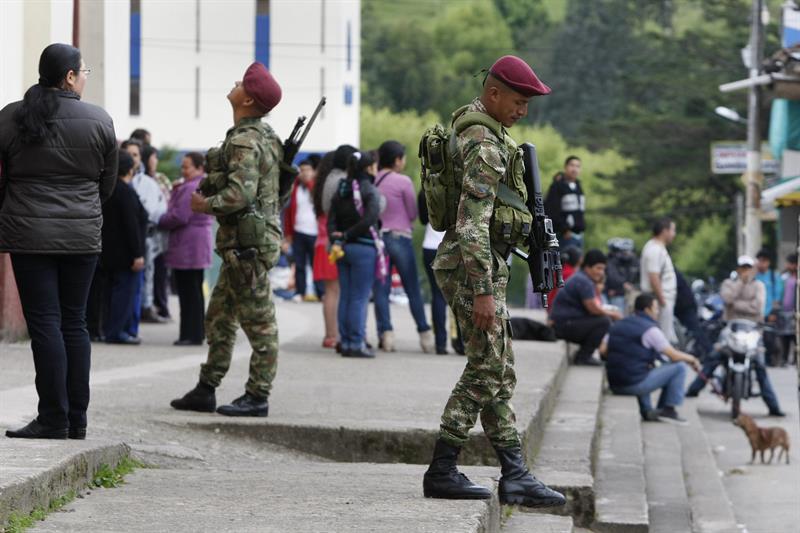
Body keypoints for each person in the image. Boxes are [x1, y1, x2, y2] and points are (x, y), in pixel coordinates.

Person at [422, 55, 565, 507]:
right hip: (471, 268)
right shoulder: (484, 144)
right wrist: (483, 290)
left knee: (497, 368)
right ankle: (442, 467)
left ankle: (515, 472)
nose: (523, 111)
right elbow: (470, 225)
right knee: (488, 368)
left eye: (527, 104)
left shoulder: (480, 128)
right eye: (518, 101)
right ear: (494, 93)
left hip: (476, 264)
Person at [0, 43, 117, 439]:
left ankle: (53, 418)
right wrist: (81, 209)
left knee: (46, 325)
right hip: (82, 237)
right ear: (69, 76)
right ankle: (76, 421)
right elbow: (108, 185)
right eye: (84, 71)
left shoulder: (11, 118)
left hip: (28, 235)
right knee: (74, 323)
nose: (85, 77)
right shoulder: (99, 120)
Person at [170, 61, 284, 417]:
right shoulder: (260, 135)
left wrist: (204, 204)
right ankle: (207, 388)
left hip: (248, 247)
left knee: (259, 322)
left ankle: (258, 396)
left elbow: (240, 195)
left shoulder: (247, 142)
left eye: (242, 82)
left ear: (247, 100)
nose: (235, 83)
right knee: (219, 318)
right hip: (240, 245)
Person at [686, 255, 785, 416]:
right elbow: (727, 299)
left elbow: (757, 307)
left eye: (748, 268)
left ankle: (773, 406)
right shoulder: (728, 284)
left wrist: (737, 305)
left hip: (752, 331)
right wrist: (741, 284)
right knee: (714, 357)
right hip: (730, 329)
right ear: (738, 269)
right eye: (743, 268)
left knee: (760, 365)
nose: (746, 271)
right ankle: (693, 390)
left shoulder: (759, 285)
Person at [373, 140, 434, 353]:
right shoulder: (404, 182)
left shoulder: (373, 179)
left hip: (379, 239)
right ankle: (425, 335)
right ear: (398, 160)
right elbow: (412, 213)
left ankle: (386, 335)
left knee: (381, 289)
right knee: (412, 289)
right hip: (400, 238)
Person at [601, 293, 701, 423]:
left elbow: (602, 350)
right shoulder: (650, 329)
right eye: (656, 308)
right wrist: (692, 359)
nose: (658, 312)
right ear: (647, 310)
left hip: (615, 383)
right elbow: (673, 355)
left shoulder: (618, 325)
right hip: (632, 384)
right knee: (679, 368)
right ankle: (668, 410)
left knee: (643, 367)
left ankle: (648, 410)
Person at [328, 151, 382, 358]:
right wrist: (350, 234)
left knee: (346, 296)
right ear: (369, 168)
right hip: (363, 249)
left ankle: (346, 341)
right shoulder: (370, 190)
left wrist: (337, 238)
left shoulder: (341, 189)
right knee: (359, 298)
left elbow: (331, 218)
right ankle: (356, 342)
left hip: (341, 249)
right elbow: (370, 219)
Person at [158, 152, 214, 345]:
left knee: (187, 291)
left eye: (187, 167)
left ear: (199, 168)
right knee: (195, 290)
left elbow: (179, 216)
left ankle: (189, 334)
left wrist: (158, 219)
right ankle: (197, 332)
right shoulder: (204, 185)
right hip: (198, 244)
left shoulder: (191, 187)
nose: (183, 170)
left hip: (187, 244)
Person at [102, 151, 147, 345]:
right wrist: (138, 254)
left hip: (108, 250)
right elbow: (132, 225)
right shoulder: (126, 192)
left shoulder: (108, 189)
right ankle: (117, 331)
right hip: (126, 254)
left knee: (112, 294)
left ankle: (112, 329)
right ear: (130, 169)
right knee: (125, 293)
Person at [121, 139, 168, 328]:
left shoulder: (147, 183)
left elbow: (155, 209)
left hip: (142, 237)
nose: (132, 159)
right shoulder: (112, 181)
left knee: (143, 278)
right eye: (128, 154)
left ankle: (143, 310)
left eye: (135, 155)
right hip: (118, 239)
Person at [550, 249, 622, 366]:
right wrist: (613, 315)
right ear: (588, 267)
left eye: (603, 269)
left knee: (604, 319)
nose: (601, 272)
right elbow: (593, 308)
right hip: (562, 326)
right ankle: (583, 357)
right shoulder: (583, 281)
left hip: (565, 323)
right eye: (598, 268)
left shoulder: (583, 278)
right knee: (604, 322)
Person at [311, 152, 340, 348]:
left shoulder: (317, 187)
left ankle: (329, 335)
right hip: (332, 245)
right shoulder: (336, 186)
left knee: (329, 292)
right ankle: (335, 334)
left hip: (319, 244)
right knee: (336, 292)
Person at [284, 156, 322, 301]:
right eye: (302, 170)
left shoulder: (316, 187)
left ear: (313, 172)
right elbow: (288, 212)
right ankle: (300, 292)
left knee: (315, 264)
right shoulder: (295, 188)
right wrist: (288, 233)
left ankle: (320, 292)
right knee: (299, 263)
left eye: (308, 170)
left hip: (315, 232)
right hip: (298, 231)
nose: (305, 173)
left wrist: (310, 183)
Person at [142, 143, 173, 320]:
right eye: (153, 157)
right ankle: (148, 306)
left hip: (161, 233)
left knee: (160, 272)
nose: (156, 161)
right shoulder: (141, 180)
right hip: (150, 231)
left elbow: (169, 198)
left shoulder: (160, 178)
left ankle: (159, 306)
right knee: (149, 272)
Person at [418, 189, 448, 354]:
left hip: (429, 245)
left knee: (437, 295)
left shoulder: (426, 189)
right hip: (449, 246)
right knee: (457, 295)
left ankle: (440, 343)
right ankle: (462, 343)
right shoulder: (454, 183)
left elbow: (423, 220)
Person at [640, 217, 678, 343]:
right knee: (662, 336)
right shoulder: (654, 249)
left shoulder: (658, 248)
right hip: (660, 299)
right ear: (664, 231)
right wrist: (662, 301)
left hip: (663, 298)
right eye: (673, 230)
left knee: (665, 334)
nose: (674, 234)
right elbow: (653, 276)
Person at [544, 155, 585, 250]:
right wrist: (564, 229)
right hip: (563, 236)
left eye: (578, 166)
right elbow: (551, 211)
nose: (574, 169)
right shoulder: (557, 186)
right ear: (565, 167)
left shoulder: (578, 186)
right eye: (572, 165)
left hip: (578, 235)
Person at [674, 269, 712, 358]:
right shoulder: (673, 273)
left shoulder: (672, 274)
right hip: (683, 307)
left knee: (696, 330)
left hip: (685, 307)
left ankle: (709, 352)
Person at [755, 248, 784, 366]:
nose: (761, 263)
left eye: (764, 261)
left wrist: (773, 312)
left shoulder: (774, 276)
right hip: (755, 313)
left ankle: (769, 359)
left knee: (769, 338)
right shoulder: (753, 276)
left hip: (769, 313)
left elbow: (777, 296)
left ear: (768, 262)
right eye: (759, 261)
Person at [604, 237, 638, 314]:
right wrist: (623, 284)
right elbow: (612, 276)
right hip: (614, 293)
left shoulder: (634, 261)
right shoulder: (612, 260)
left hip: (627, 292)